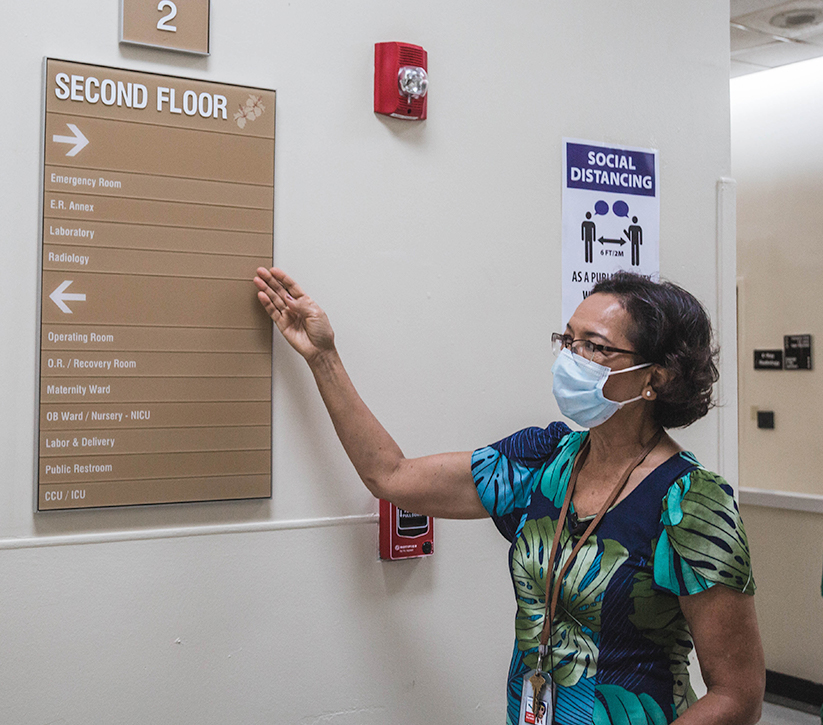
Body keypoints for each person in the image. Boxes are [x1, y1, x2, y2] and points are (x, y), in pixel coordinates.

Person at [253, 267, 765, 725]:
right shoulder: (543, 460)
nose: (572, 359)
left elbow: (738, 696)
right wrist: (323, 356)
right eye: (568, 341)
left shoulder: (691, 502)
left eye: (595, 346)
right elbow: (390, 475)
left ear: (656, 377)